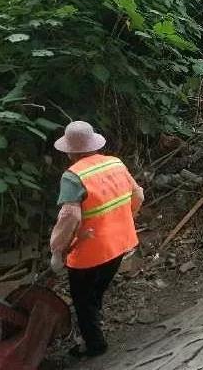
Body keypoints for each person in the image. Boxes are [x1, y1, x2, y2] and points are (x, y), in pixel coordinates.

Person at [49, 121, 144, 358]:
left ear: (70, 151)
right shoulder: (115, 163)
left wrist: (57, 249)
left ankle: (95, 344)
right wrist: (126, 217)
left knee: (82, 300)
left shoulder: (72, 177)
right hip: (120, 243)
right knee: (95, 292)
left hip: (89, 251)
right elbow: (138, 194)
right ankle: (94, 326)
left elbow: (70, 215)